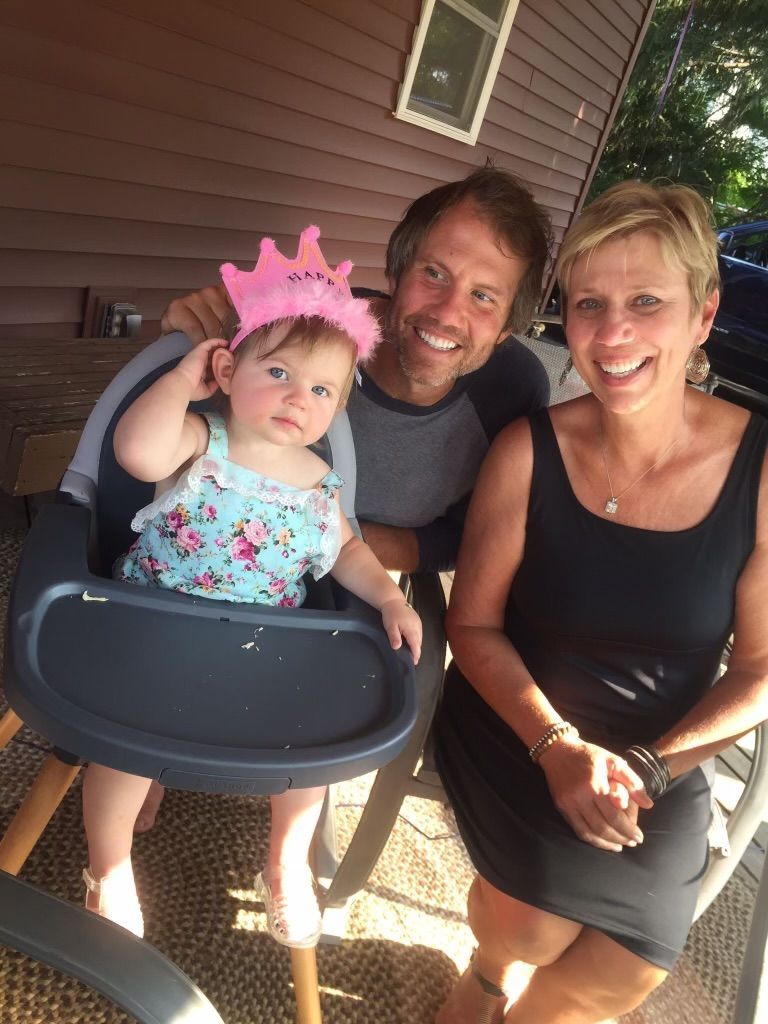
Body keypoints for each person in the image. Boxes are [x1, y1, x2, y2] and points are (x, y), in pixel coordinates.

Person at [433, 179, 768, 1023]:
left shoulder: (759, 472)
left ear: (703, 314)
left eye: (646, 301)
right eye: (589, 303)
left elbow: (762, 667)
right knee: (534, 929)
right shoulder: (528, 451)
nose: (612, 334)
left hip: (666, 751)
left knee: (626, 973)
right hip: (518, 719)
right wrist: (554, 744)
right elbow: (469, 624)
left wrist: (655, 766)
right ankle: (482, 976)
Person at [134, 166, 555, 835]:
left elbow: (479, 530)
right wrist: (180, 335)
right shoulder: (315, 322)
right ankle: (144, 762)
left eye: (485, 296)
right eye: (435, 273)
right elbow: (208, 406)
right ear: (398, 267)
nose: (448, 314)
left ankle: (295, 836)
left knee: (376, 679)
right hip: (221, 537)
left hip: (344, 555)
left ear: (507, 327)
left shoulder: (514, 391)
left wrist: (356, 547)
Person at [80, 226, 422, 945]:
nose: (300, 397)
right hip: (153, 629)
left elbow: (347, 555)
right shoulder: (201, 441)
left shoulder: (318, 487)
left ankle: (286, 862)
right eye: (278, 374)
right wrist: (179, 379)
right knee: (126, 744)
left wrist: (389, 594)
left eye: (322, 388)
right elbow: (136, 451)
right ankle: (109, 865)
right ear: (229, 371)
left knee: (316, 751)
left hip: (265, 649)